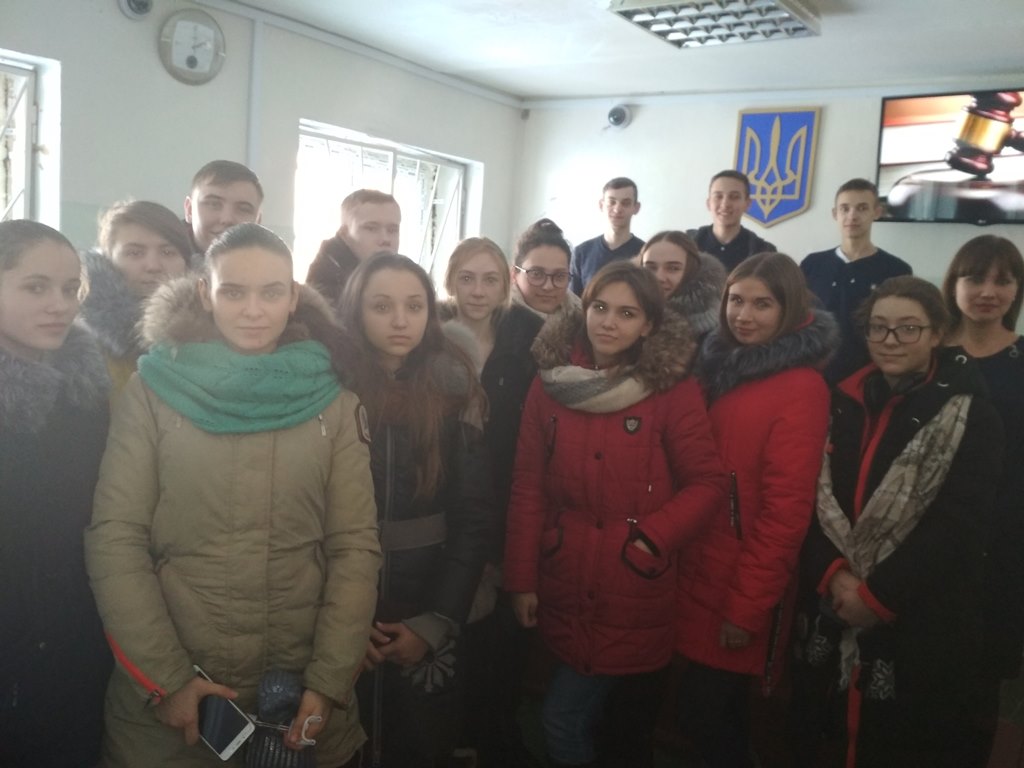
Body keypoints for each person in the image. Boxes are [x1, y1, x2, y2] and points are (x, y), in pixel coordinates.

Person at [84, 223, 381, 767]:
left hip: (295, 690)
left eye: (271, 292)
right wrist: (167, 679)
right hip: (174, 698)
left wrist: (329, 681)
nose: (253, 311)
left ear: (293, 297)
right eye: (234, 292)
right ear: (205, 293)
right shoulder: (152, 391)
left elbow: (354, 547)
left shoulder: (335, 402)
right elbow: (116, 538)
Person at [504, 261, 727, 768]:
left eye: (627, 313)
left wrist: (651, 539)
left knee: (570, 721)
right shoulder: (550, 383)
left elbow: (707, 483)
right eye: (600, 308)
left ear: (648, 325)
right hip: (565, 574)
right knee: (574, 718)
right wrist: (521, 579)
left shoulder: (671, 387)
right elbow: (528, 486)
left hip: (633, 582)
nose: (608, 322)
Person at [792, 276, 1004, 768]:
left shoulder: (972, 414)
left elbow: (958, 525)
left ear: (937, 334)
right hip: (833, 600)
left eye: (908, 328)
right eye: (878, 327)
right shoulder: (842, 402)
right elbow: (813, 501)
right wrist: (835, 576)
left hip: (917, 614)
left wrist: (875, 597)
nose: (890, 340)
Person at [675, 252, 836, 768]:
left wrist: (747, 607)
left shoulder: (801, 386)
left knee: (704, 715)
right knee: (718, 716)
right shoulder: (719, 364)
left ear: (789, 309)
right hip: (696, 564)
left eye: (762, 304)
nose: (744, 316)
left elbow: (786, 513)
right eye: (736, 300)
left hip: (737, 579)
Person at [336, 254, 493, 767]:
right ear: (356, 310)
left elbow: (474, 519)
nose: (400, 320)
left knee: (419, 738)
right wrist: (340, 622)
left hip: (428, 591)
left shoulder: (454, 390)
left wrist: (435, 621)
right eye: (382, 306)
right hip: (342, 594)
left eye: (415, 306)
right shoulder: (330, 387)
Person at [0, 220, 112, 768]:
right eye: (35, 287)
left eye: (71, 289)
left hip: (76, 638)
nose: (60, 305)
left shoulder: (87, 396)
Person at [441, 237, 545, 766]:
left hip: (508, 498)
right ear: (450, 282)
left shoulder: (528, 338)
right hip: (447, 499)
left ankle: (492, 731)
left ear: (506, 284)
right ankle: (451, 731)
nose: (477, 292)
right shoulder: (431, 335)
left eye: (489, 280)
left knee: (499, 634)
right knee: (452, 619)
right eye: (466, 279)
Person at [941, 234, 1024, 762]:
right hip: (926, 532)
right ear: (954, 284)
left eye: (1003, 280)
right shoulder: (928, 353)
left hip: (1004, 536)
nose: (988, 291)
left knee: (980, 674)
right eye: (975, 278)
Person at [800, 178, 912, 384]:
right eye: (845, 208)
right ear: (835, 214)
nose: (852, 216)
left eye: (862, 208)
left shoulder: (897, 270)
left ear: (876, 212)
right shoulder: (812, 264)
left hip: (871, 378)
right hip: (814, 373)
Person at [79, 200, 192, 392]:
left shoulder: (217, 332)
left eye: (167, 252)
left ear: (187, 262)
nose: (153, 266)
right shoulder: (79, 342)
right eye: (135, 253)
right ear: (108, 260)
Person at [306, 189, 401, 307]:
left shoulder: (405, 280)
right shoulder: (323, 291)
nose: (385, 239)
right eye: (371, 228)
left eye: (393, 230)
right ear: (344, 234)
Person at [639, 229, 727, 348]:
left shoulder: (715, 334)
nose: (659, 277)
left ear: (692, 271)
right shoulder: (627, 312)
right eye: (650, 268)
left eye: (673, 268)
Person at [688, 170, 775, 273]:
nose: (725, 204)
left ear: (747, 204)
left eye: (734, 197)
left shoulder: (763, 252)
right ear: (708, 203)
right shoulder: (686, 245)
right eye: (718, 196)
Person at [569, 177, 644, 295]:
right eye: (611, 202)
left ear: (636, 208)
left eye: (625, 203)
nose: (617, 209)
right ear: (601, 205)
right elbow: (574, 301)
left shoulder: (645, 253)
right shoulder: (581, 253)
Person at [183, 159, 264, 256]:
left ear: (257, 221)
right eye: (214, 204)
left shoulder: (273, 262)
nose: (227, 219)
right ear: (190, 210)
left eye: (243, 209)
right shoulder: (167, 262)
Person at [510, 218, 581, 319]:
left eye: (559, 276)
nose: (548, 287)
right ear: (514, 275)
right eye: (536, 274)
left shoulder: (583, 317)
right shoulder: (494, 319)